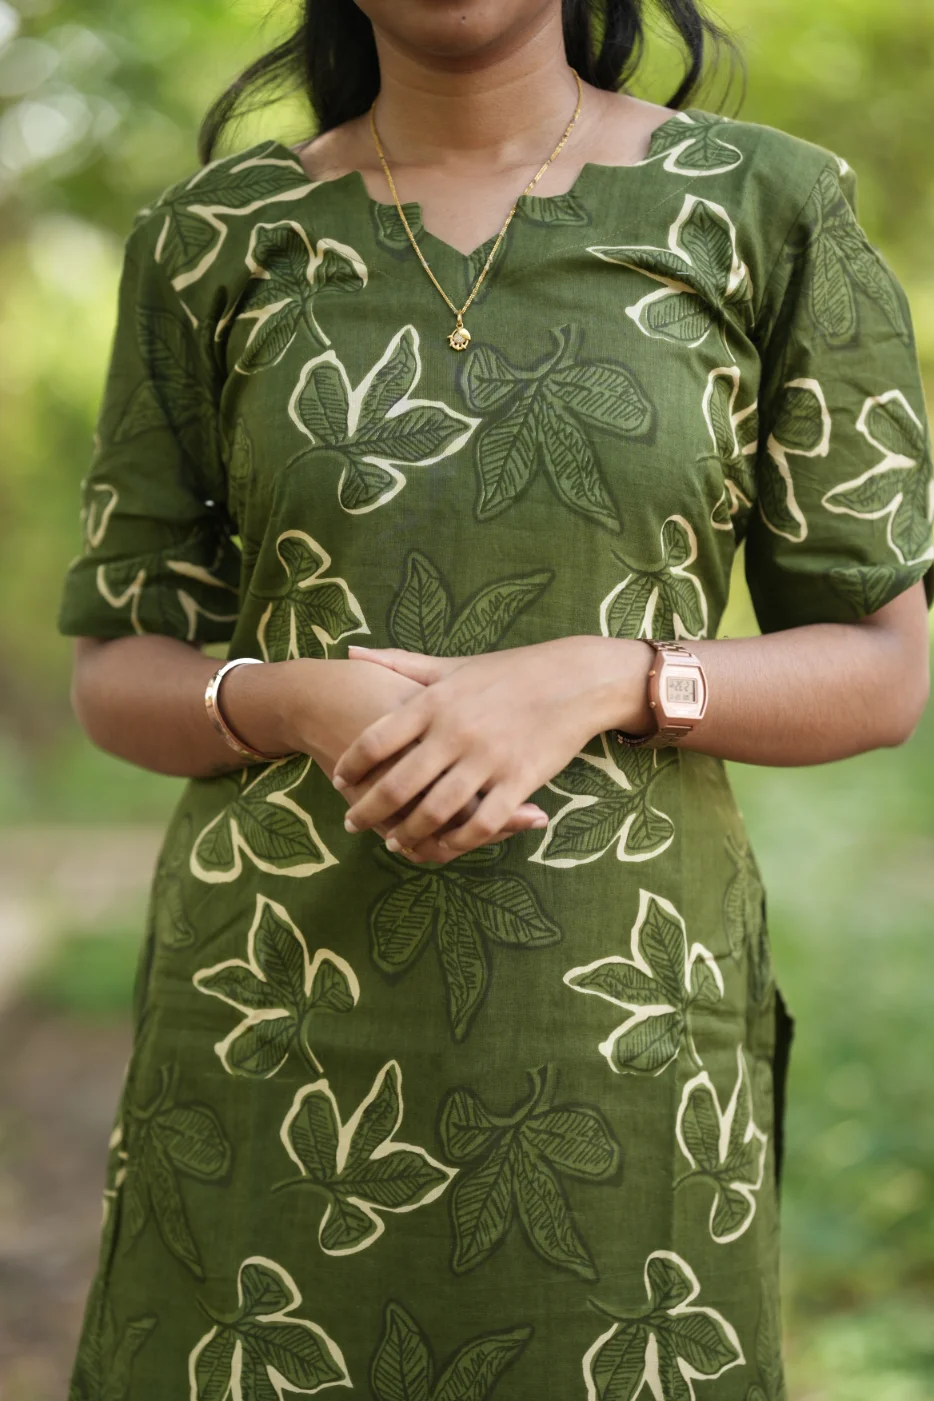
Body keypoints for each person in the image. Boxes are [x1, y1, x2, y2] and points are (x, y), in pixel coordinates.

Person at [57, 1, 933, 1397]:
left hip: (619, 1025)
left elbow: (884, 670)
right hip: (272, 1012)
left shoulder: (765, 208)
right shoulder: (211, 236)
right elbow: (117, 668)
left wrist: (613, 676)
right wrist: (289, 700)